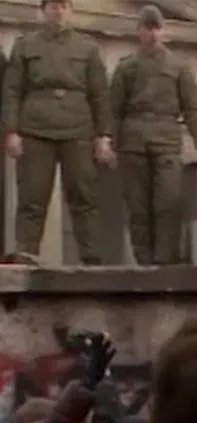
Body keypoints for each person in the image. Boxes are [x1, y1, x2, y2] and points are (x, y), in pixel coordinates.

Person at [2, 0, 113, 265]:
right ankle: (26, 251)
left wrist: (103, 135)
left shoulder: (87, 48)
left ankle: (91, 255)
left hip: (77, 130)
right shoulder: (25, 46)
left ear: (70, 10)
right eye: (53, 5)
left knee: (83, 196)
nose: (58, 11)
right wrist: (11, 131)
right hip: (36, 130)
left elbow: (100, 95)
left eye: (64, 5)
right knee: (32, 196)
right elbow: (12, 91)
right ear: (43, 10)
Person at [109, 5, 197, 265]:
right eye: (148, 28)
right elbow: (114, 109)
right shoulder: (127, 67)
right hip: (133, 140)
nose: (153, 34)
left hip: (166, 139)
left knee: (168, 202)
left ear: (163, 30)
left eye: (157, 28)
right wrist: (109, 142)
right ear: (139, 31)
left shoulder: (178, 67)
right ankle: (144, 261)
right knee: (138, 205)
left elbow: (191, 107)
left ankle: (164, 262)